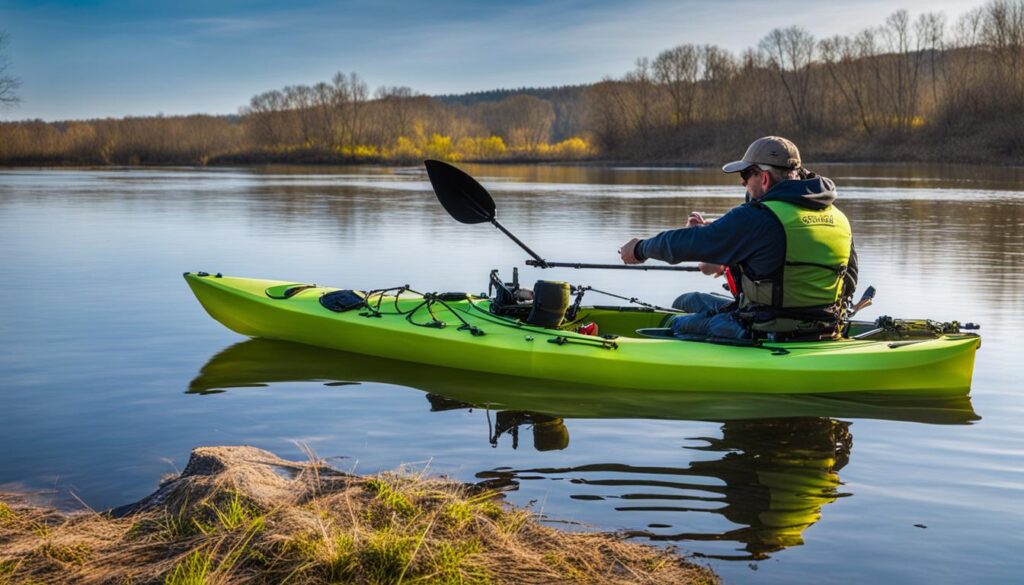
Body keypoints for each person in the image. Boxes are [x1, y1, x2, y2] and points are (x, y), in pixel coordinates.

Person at [619, 136, 857, 341]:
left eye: (745, 174)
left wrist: (639, 249)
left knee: (676, 324)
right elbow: (850, 281)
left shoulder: (757, 217)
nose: (742, 181)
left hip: (762, 330)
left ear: (764, 178)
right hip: (825, 327)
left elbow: (682, 245)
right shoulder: (838, 217)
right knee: (687, 300)